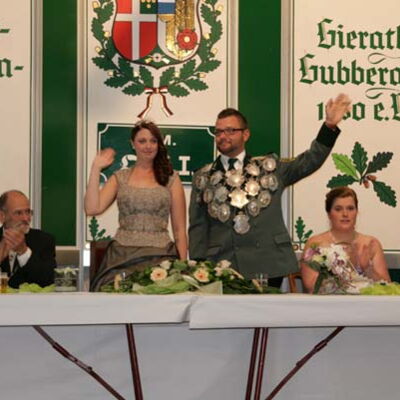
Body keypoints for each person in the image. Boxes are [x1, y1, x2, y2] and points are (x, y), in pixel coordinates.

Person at [189, 93, 351, 288]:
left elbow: (309, 161)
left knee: (266, 309)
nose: (223, 136)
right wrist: (199, 266)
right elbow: (198, 227)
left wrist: (329, 127)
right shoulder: (203, 177)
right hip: (222, 266)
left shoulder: (269, 168)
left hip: (267, 263)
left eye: (230, 130)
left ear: (245, 134)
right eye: (218, 132)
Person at [86, 120, 187, 291]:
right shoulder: (120, 177)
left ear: (159, 144)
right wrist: (96, 168)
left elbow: (179, 230)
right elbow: (92, 208)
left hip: (161, 257)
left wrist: (183, 269)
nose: (148, 146)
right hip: (121, 257)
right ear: (133, 144)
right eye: (142, 141)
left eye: (153, 141)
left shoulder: (172, 178)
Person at [300, 187, 390, 293]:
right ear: (329, 214)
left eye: (350, 208)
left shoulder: (371, 244)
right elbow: (311, 287)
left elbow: (387, 288)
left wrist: (368, 270)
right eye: (338, 209)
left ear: (357, 212)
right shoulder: (315, 244)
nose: (345, 214)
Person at [0, 190, 57, 288]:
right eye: (18, 213)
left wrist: (24, 252)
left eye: (28, 212)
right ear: (2, 216)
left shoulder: (44, 240)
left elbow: (49, 281)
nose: (26, 218)